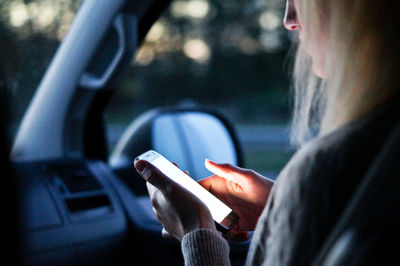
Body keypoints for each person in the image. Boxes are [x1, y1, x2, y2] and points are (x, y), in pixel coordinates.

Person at [135, 0, 400, 265]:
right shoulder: (381, 151)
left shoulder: (338, 164)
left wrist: (196, 232)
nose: (289, 18)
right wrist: (283, 204)